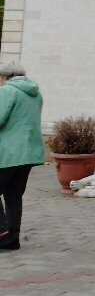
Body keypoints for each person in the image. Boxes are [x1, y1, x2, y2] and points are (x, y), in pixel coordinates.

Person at [0, 60, 44, 250]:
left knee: (11, 195)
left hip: (9, 152)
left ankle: (3, 231)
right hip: (29, 152)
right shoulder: (35, 93)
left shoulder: (7, 91)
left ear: (5, 75)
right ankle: (11, 240)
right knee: (13, 196)